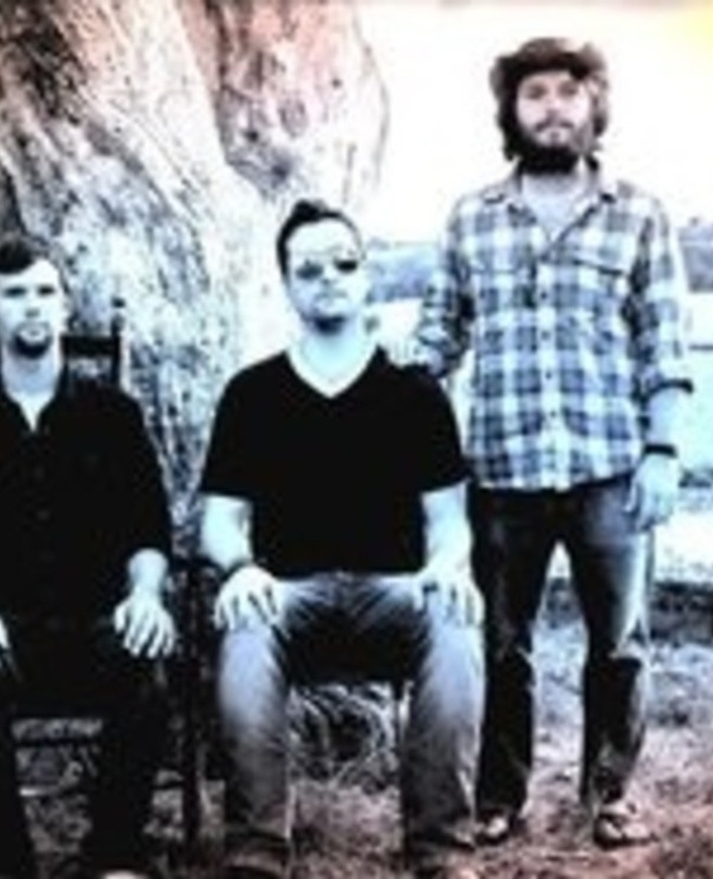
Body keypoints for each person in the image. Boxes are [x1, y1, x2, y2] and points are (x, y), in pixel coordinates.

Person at [407, 37, 694, 850]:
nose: (553, 107)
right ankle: (499, 794)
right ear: (511, 111)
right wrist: (385, 408)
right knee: (500, 644)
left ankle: (610, 793)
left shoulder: (638, 213)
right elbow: (436, 337)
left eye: (569, 91)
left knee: (619, 644)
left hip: (611, 468)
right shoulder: (471, 217)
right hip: (501, 471)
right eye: (533, 94)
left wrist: (662, 452)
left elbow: (663, 344)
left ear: (593, 105)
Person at [199, 199, 484, 879]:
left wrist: (446, 565)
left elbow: (449, 521)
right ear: (287, 286)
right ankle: (255, 851)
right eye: (308, 269)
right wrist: (239, 567)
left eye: (343, 263)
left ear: (366, 276)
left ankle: (441, 848)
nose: (327, 277)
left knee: (453, 621)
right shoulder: (252, 394)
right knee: (245, 628)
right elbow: (219, 519)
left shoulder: (414, 393)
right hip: (287, 593)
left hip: (393, 590)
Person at [0, 235, 177, 879]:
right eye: (15, 294)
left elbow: (148, 530)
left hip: (96, 622)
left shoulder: (113, 414)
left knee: (146, 674)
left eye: (44, 292)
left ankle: (114, 857)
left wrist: (146, 596)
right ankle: (4, 866)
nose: (32, 306)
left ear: (65, 306)